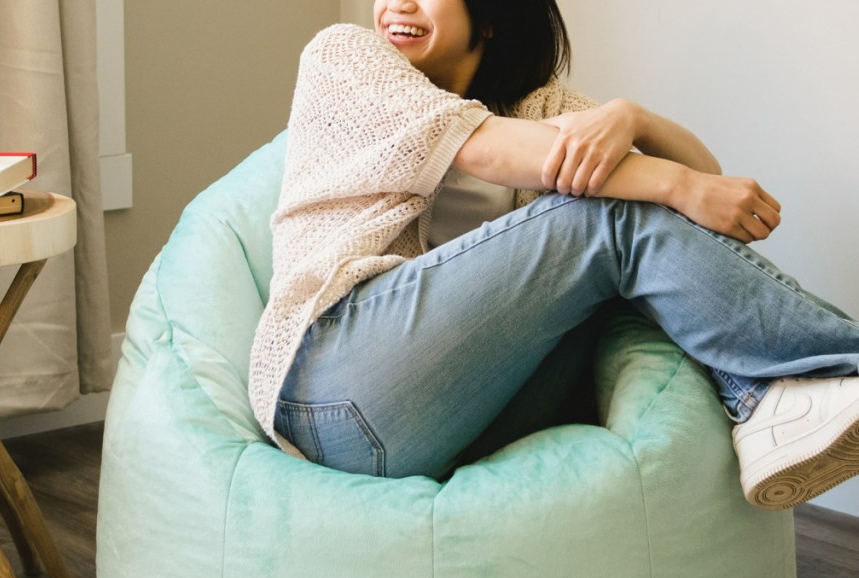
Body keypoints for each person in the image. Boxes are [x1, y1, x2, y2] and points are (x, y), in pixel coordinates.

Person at [247, 0, 859, 510]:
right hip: (330, 387)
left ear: (488, 15)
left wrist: (633, 119)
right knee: (606, 212)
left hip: (457, 421)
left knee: (629, 258)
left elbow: (700, 195)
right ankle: (826, 369)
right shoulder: (346, 57)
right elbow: (489, 151)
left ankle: (765, 404)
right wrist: (674, 183)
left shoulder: (540, 107)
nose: (396, 4)